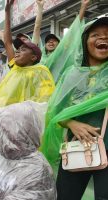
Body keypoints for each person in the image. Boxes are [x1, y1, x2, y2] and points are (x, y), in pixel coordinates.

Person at [0, 0, 55, 169]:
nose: (17, 51)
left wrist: (39, 11)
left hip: (24, 131)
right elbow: (7, 41)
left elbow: (45, 104)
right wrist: (6, 12)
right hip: (1, 126)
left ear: (34, 57)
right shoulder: (14, 67)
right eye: (17, 49)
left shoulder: (40, 72)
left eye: (24, 49)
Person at [41, 17, 108, 200]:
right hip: (76, 148)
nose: (104, 38)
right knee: (65, 195)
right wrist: (72, 124)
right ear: (85, 42)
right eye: (96, 35)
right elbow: (55, 112)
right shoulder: (72, 75)